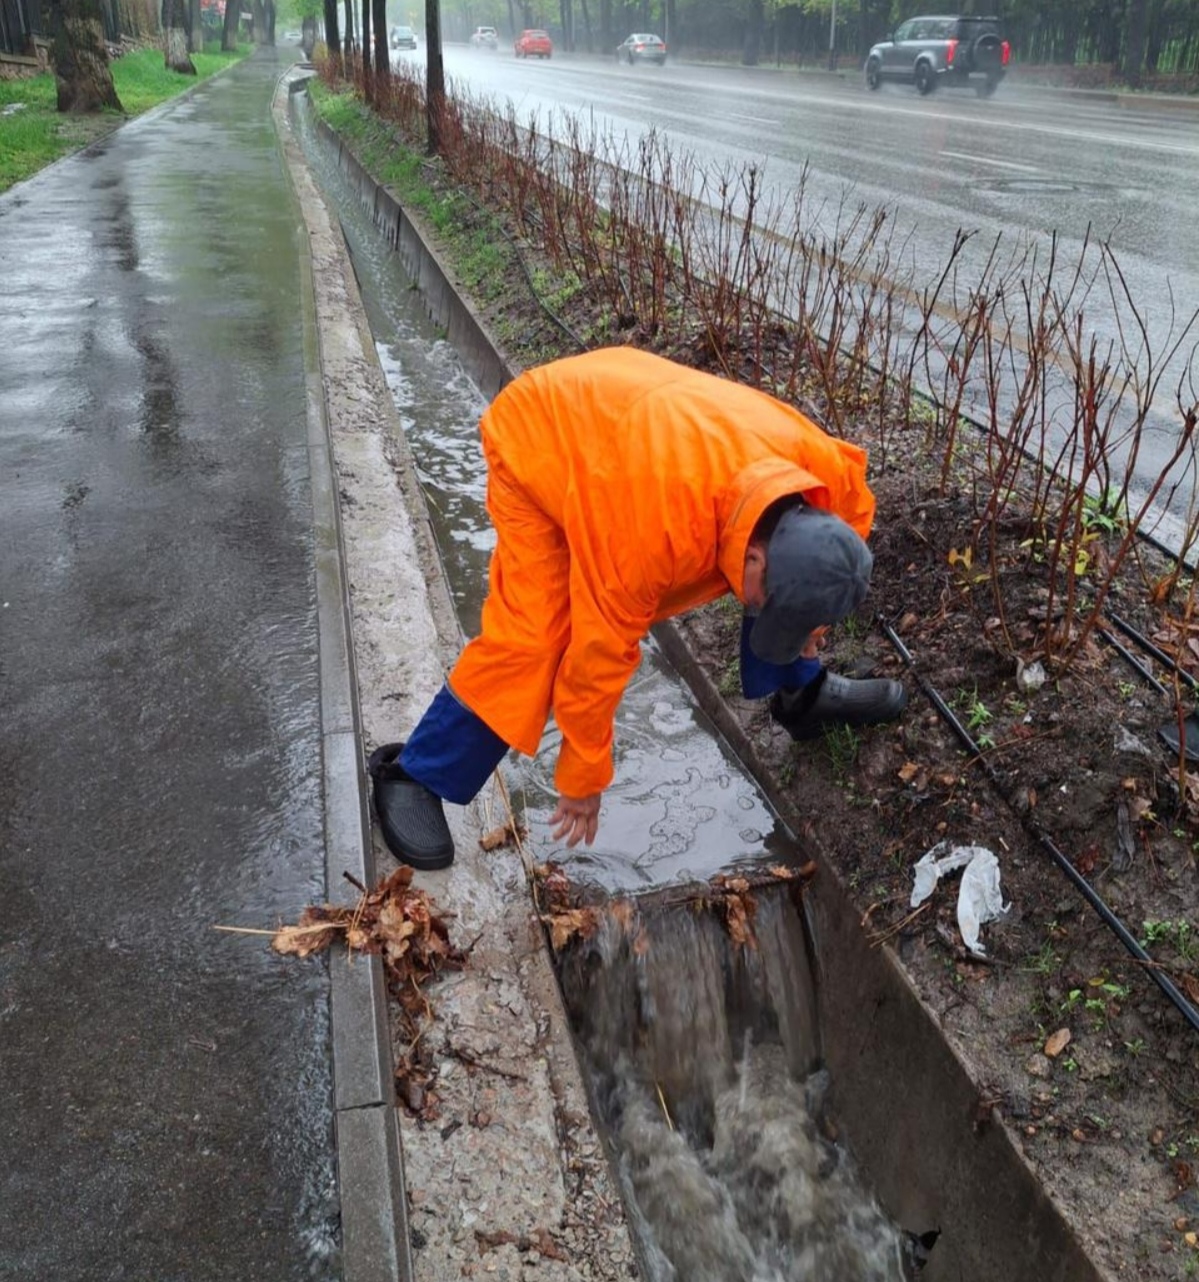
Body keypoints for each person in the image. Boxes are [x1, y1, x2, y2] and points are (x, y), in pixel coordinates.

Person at [369, 348, 907, 870]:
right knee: (536, 638)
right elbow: (597, 653)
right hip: (543, 437)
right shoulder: (649, 533)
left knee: (786, 590)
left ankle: (804, 697)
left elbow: (846, 531)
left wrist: (808, 620)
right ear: (757, 556)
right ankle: (415, 776)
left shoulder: (822, 477)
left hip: (639, 418)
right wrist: (582, 782)